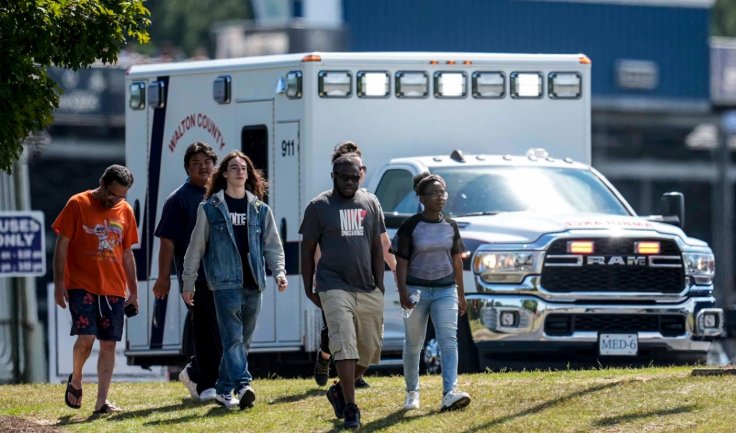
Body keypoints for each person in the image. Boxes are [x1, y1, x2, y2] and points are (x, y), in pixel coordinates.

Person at [182, 150, 288, 410]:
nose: (240, 172)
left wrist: (280, 272)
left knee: (244, 341)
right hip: (224, 283)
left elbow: (272, 245)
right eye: (234, 168)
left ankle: (222, 391)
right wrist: (188, 283)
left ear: (248, 175)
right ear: (225, 174)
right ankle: (243, 384)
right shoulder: (210, 209)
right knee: (232, 339)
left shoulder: (261, 209)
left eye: (244, 168)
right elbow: (195, 248)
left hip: (254, 282)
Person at [300, 153, 386, 430]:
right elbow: (307, 250)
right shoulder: (319, 206)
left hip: (366, 286)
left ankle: (338, 390)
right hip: (333, 285)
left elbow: (376, 246)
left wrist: (380, 284)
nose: (350, 182)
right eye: (344, 177)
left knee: (371, 350)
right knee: (344, 344)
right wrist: (308, 286)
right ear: (333, 177)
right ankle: (351, 407)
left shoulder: (370, 202)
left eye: (355, 177)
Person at [53, 164, 138, 415]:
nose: (115, 200)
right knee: (87, 337)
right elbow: (62, 245)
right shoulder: (77, 204)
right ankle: (76, 379)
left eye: (121, 196)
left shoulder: (126, 211)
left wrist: (133, 291)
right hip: (81, 283)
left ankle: (102, 402)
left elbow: (126, 253)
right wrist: (59, 283)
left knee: (109, 344)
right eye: (112, 194)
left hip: (113, 287)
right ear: (102, 184)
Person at [313, 141, 397, 388]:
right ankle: (324, 357)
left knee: (361, 332)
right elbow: (317, 245)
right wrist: (318, 275)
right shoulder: (326, 204)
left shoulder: (369, 201)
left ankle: (349, 379)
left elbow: (383, 241)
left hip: (363, 280)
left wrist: (398, 268)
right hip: (334, 280)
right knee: (335, 332)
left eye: (359, 169)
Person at [392, 173, 472, 412]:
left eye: (443, 193)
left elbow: (457, 261)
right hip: (416, 291)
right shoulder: (410, 226)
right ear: (422, 198)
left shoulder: (451, 225)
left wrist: (461, 294)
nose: (440, 197)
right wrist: (403, 292)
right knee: (413, 344)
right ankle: (412, 392)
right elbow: (401, 262)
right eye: (435, 193)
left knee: (449, 341)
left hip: (445, 290)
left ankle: (450, 392)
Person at [152, 142, 220, 402]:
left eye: (207, 162)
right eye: (196, 163)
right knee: (208, 332)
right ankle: (204, 381)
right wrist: (163, 278)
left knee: (223, 332)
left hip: (224, 277)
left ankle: (194, 372)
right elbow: (167, 241)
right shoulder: (178, 199)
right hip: (196, 278)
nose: (203, 167)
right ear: (187, 168)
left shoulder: (222, 194)